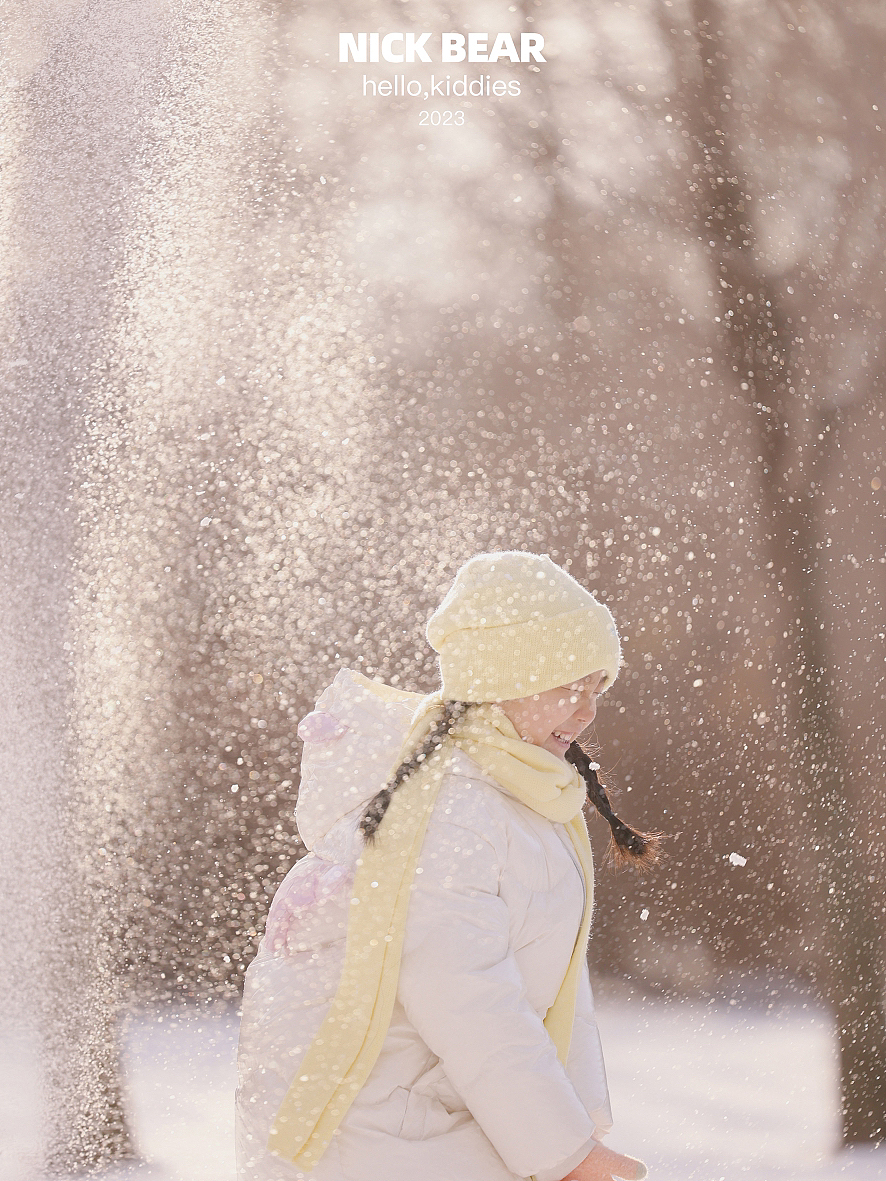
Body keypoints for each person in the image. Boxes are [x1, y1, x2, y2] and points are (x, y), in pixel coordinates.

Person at [236, 551, 658, 1181]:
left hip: (451, 1125)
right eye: (569, 685)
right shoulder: (451, 811)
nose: (587, 710)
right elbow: (467, 1000)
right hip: (389, 1138)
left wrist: (576, 1127)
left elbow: (548, 987)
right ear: (502, 680)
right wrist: (566, 1152)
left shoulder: (523, 794)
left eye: (598, 686)